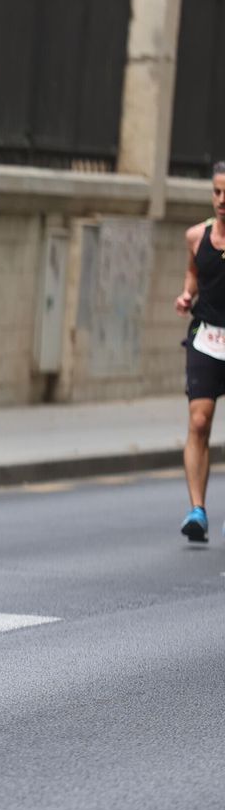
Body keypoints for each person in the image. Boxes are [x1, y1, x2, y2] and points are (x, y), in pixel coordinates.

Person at [175, 160, 225, 543]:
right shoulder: (197, 236)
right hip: (206, 337)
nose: (222, 200)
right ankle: (197, 510)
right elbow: (194, 273)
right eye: (217, 191)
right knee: (198, 421)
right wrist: (187, 293)